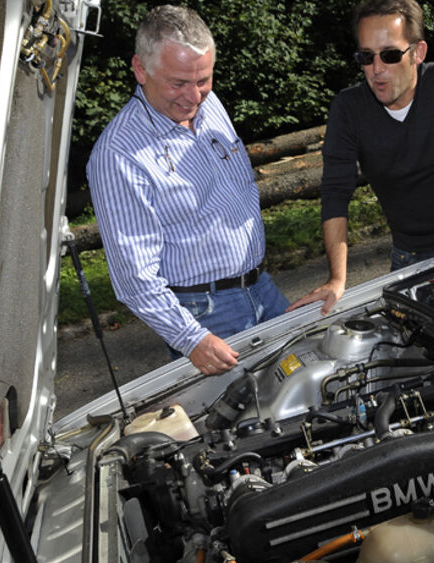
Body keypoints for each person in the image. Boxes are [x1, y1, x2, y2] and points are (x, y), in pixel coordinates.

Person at [87, 5, 287, 376]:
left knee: (306, 392)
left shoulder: (208, 105)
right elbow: (135, 279)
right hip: (205, 315)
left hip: (263, 287)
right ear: (140, 69)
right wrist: (190, 339)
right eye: (178, 83)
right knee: (249, 428)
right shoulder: (118, 155)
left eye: (203, 80)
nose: (194, 97)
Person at [287, 0, 434, 315]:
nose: (376, 70)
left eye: (389, 55)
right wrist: (337, 279)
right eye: (366, 57)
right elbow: (335, 192)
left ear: (418, 52)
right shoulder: (348, 109)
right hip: (408, 256)